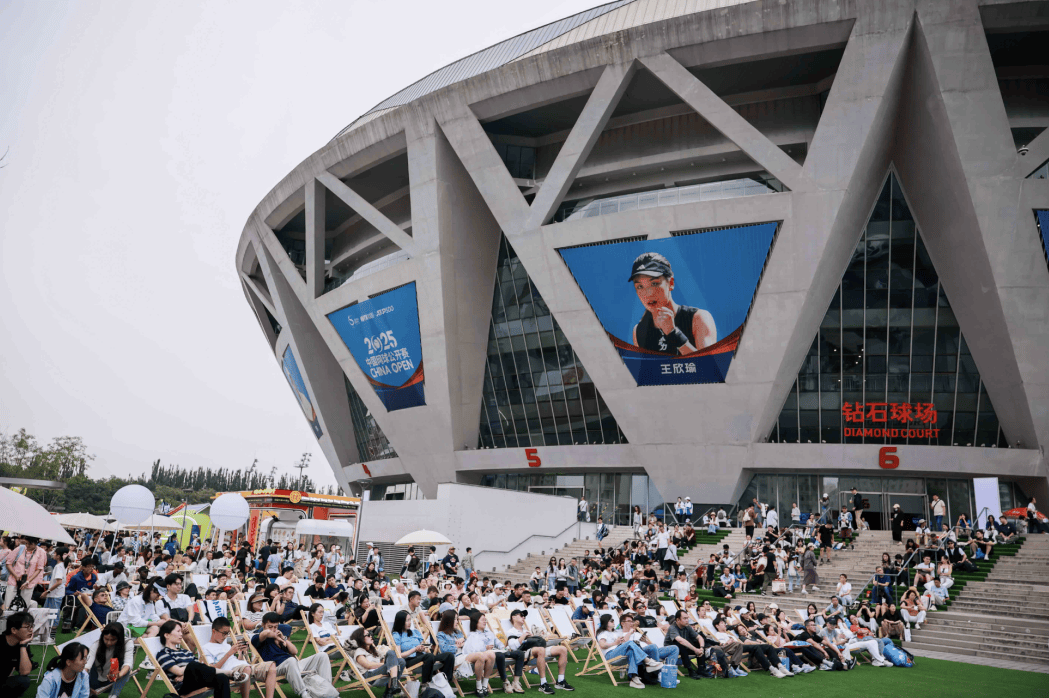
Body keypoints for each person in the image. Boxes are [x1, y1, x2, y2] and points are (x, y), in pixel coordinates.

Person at [627, 252, 715, 355]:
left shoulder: (698, 318)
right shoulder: (638, 331)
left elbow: (709, 363)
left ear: (671, 283)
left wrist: (674, 334)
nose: (647, 293)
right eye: (640, 286)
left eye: (654, 283)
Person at [252, 612, 331, 698]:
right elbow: (266, 633)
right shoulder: (257, 638)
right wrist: (273, 634)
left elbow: (294, 651)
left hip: (293, 666)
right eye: (270, 626)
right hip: (275, 668)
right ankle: (304, 694)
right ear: (263, 625)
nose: (273, 629)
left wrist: (283, 638)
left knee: (322, 656)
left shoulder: (280, 638)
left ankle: (328, 690)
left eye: (275, 627)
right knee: (291, 660)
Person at [202, 617, 277, 698]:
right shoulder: (206, 648)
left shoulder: (226, 645)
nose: (225, 636)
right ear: (214, 631)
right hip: (229, 672)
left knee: (271, 666)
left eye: (227, 633)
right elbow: (212, 670)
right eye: (224, 633)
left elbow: (236, 662)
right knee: (246, 669)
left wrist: (242, 653)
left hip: (243, 667)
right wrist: (229, 653)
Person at [156, 620, 231, 698]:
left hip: (196, 680)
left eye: (181, 631)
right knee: (192, 665)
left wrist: (184, 675)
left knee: (222, 677)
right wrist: (189, 669)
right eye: (178, 631)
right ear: (167, 635)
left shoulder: (186, 652)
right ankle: (229, 673)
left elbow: (200, 668)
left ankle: (225, 674)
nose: (181, 634)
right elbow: (178, 671)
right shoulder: (163, 654)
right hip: (183, 686)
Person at [594, 613, 663, 690]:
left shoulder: (616, 632)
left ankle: (634, 677)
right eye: (611, 620)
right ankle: (647, 661)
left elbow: (624, 641)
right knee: (630, 643)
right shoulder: (603, 633)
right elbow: (602, 645)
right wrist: (615, 643)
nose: (614, 622)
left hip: (620, 652)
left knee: (633, 650)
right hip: (610, 655)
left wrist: (628, 634)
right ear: (606, 622)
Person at [390, 610, 454, 685]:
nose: (409, 623)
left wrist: (424, 648)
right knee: (429, 656)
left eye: (410, 620)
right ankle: (426, 684)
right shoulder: (397, 635)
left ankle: (445, 683)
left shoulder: (415, 632)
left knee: (449, 655)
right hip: (409, 660)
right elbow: (399, 655)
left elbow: (425, 647)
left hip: (423, 656)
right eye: (407, 621)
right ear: (400, 622)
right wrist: (415, 649)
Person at [347, 627, 404, 698]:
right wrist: (389, 663)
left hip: (379, 672)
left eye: (370, 634)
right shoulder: (359, 651)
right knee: (391, 654)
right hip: (369, 676)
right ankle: (393, 686)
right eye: (368, 635)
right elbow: (368, 665)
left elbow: (383, 660)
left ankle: (390, 691)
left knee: (401, 661)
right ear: (361, 638)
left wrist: (389, 662)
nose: (371, 636)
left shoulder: (373, 651)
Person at [85, 623, 134, 698]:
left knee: (126, 670)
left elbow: (128, 663)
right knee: (84, 668)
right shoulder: (96, 644)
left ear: (119, 638)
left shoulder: (127, 643)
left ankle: (113, 695)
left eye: (113, 640)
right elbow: (87, 666)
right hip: (95, 679)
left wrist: (119, 675)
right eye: (106, 639)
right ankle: (87, 692)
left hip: (113, 681)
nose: (109, 643)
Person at [5, 537, 47, 610]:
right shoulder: (20, 548)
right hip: (14, 580)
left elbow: (39, 569)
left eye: (29, 544)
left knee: (24, 606)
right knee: (8, 605)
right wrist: (15, 575)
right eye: (26, 543)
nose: (27, 545)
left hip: (28, 583)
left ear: (35, 543)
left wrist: (28, 581)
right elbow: (8, 563)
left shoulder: (41, 552)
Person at [0, 611, 34, 697]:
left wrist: (23, 646)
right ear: (14, 630)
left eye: (32, 626)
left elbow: (25, 672)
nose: (31, 630)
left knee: (23, 681)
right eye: (27, 627)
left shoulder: (22, 645)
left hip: (4, 681)